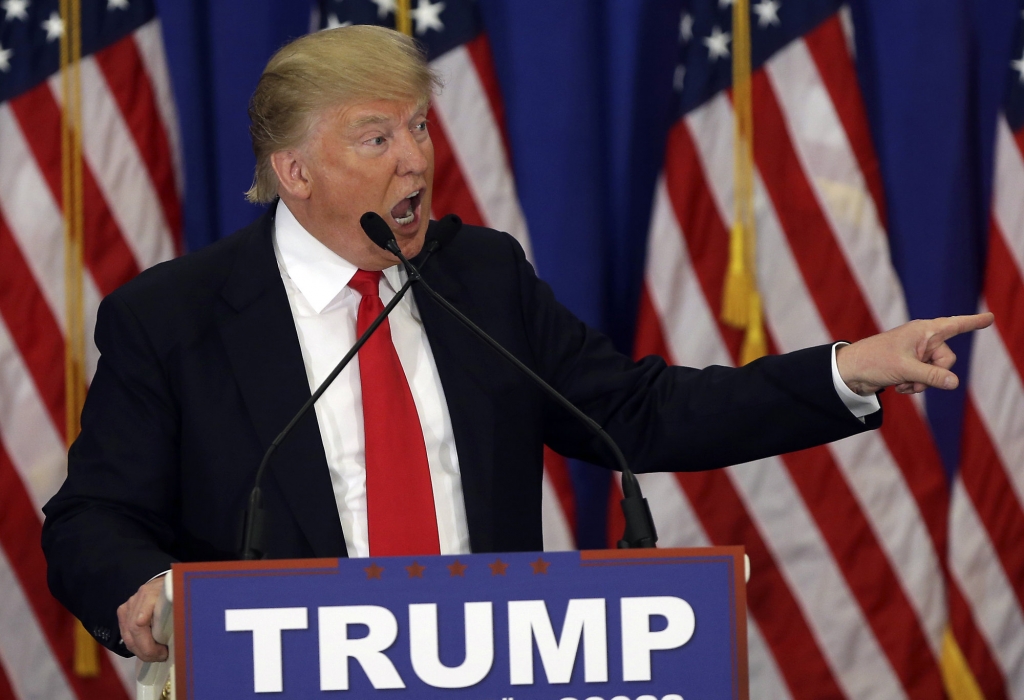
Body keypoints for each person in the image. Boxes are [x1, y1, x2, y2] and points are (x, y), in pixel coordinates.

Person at [41, 24, 992, 664]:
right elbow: (90, 520)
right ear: (294, 171)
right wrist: (145, 593)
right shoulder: (175, 318)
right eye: (377, 139)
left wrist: (846, 369)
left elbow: (639, 411)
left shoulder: (479, 278)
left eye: (418, 126)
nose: (416, 158)